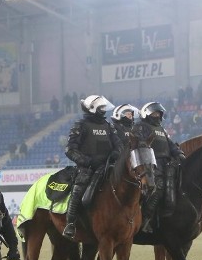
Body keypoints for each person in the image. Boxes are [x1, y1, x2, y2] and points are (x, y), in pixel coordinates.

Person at [61, 94, 121, 240]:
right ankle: (71, 224)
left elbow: (119, 145)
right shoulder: (80, 125)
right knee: (78, 190)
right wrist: (87, 161)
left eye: (104, 107)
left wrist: (115, 153)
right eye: (101, 107)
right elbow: (70, 149)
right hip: (87, 168)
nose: (104, 110)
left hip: (108, 167)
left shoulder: (108, 126)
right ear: (92, 108)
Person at [133, 101, 184, 233]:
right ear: (146, 114)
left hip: (166, 164)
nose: (157, 115)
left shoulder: (162, 130)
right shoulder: (140, 127)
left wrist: (179, 154)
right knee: (158, 188)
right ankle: (145, 219)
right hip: (150, 165)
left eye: (158, 113)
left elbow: (171, 145)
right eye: (154, 113)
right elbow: (142, 146)